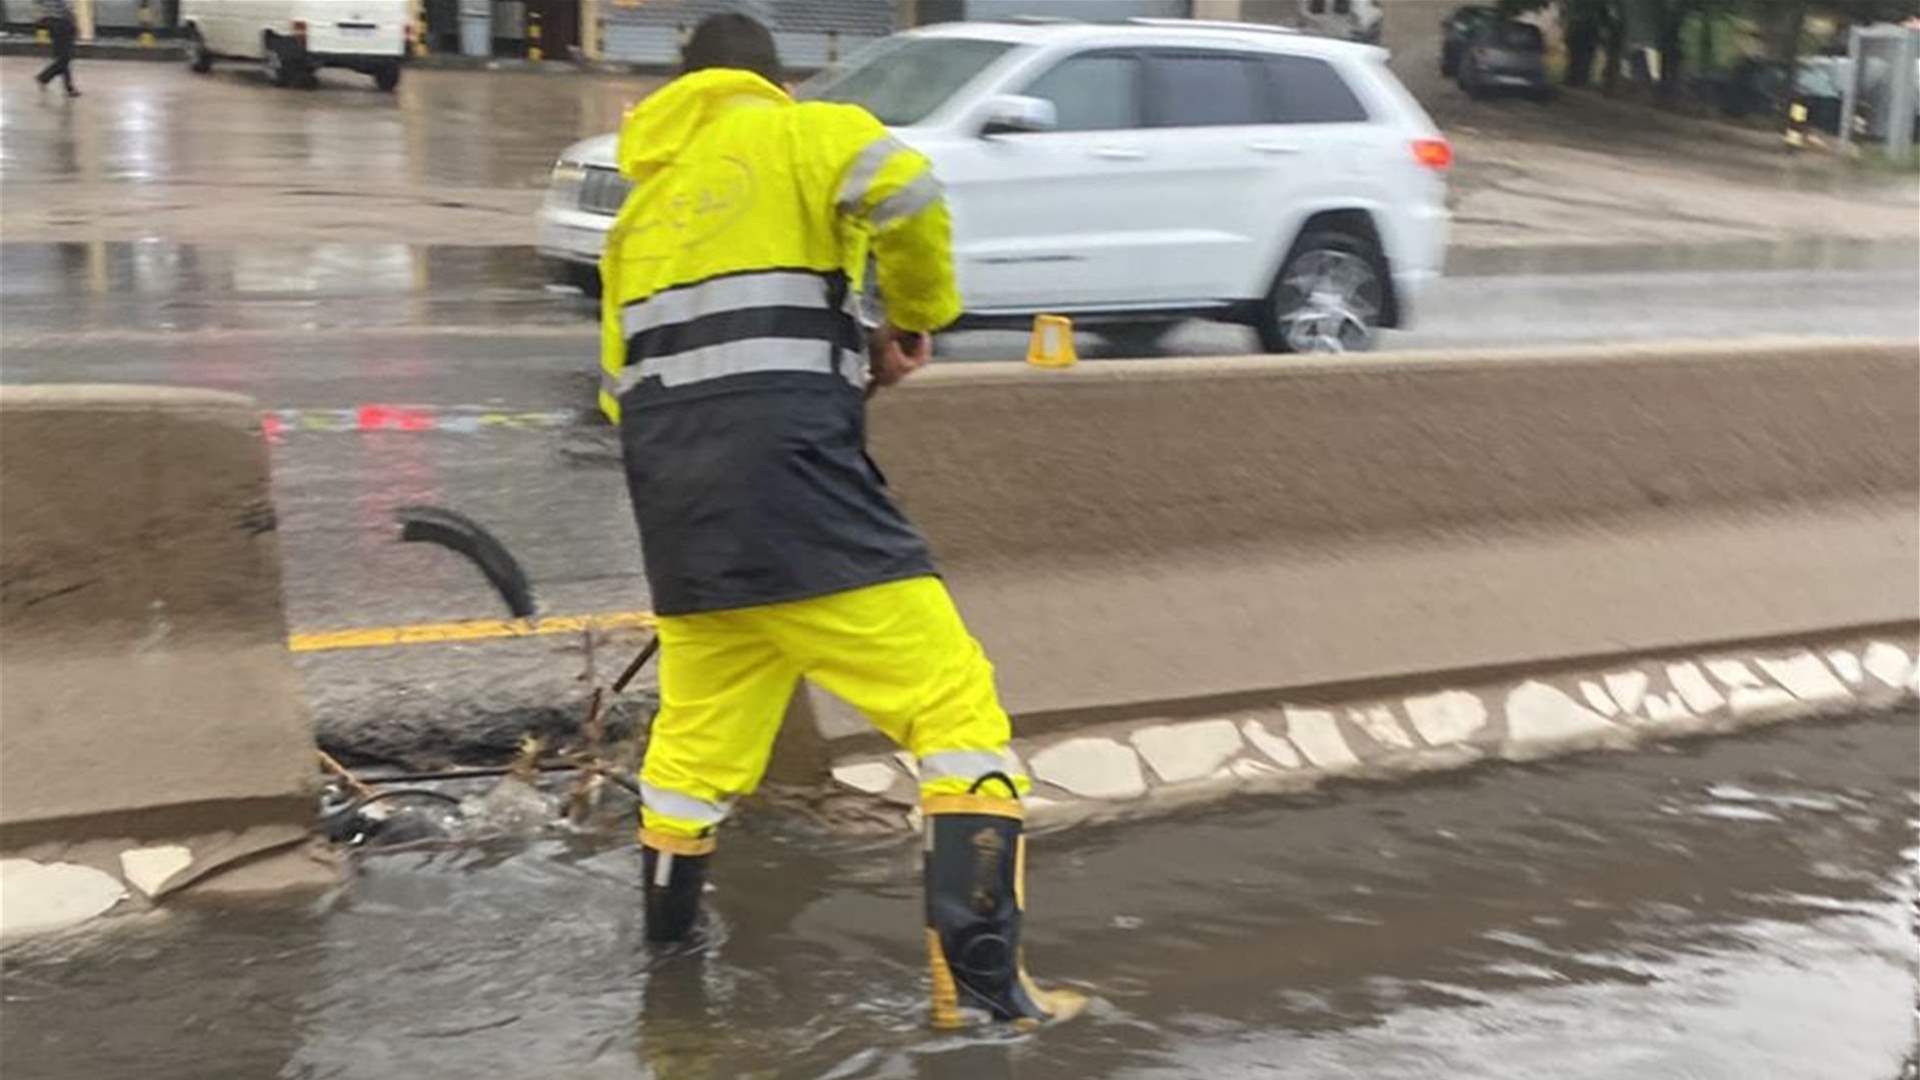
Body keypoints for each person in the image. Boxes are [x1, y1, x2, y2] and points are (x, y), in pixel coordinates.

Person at [599, 13, 1080, 1028]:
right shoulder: (806, 136)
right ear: (773, 82)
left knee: (691, 756)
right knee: (955, 715)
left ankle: (668, 964)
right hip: (802, 497)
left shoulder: (639, 220)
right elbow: (909, 192)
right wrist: (910, 320)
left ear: (677, 90)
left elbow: (626, 391)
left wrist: (834, 367)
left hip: (682, 519)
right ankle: (984, 996)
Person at [34, 0, 79, 98]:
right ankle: (44, 77)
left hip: (52, 23)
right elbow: (65, 7)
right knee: (64, 57)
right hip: (61, 23)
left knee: (63, 58)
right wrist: (73, 21)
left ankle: (68, 88)